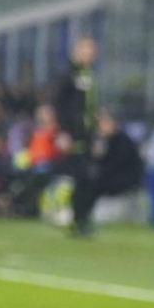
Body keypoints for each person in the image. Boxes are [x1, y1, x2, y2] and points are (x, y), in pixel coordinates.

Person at [54, 35, 102, 235]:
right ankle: (76, 217)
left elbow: (89, 107)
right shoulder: (69, 74)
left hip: (87, 135)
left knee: (88, 178)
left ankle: (80, 218)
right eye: (85, 49)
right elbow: (60, 104)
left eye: (91, 49)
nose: (89, 53)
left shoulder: (88, 75)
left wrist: (96, 132)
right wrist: (63, 132)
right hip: (73, 135)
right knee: (82, 176)